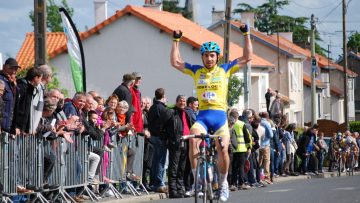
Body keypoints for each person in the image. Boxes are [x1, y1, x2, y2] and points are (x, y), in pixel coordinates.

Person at [170, 23, 252, 201]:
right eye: (206, 55)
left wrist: (246, 34)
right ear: (202, 57)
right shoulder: (196, 71)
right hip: (203, 117)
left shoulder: (225, 69)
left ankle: (223, 184)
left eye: (212, 56)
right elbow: (175, 62)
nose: (209, 59)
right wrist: (176, 40)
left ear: (217, 57)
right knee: (193, 137)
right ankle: (197, 181)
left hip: (220, 117)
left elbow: (248, 56)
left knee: (222, 149)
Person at [165, 95, 194, 198]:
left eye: (184, 101)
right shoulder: (171, 112)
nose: (183, 103)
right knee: (174, 167)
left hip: (186, 142)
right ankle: (173, 191)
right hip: (175, 143)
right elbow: (163, 127)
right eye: (181, 101)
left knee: (182, 168)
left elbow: (191, 125)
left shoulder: (187, 113)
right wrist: (169, 139)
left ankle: (180, 189)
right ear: (177, 102)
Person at [148, 88, 172, 193]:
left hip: (153, 136)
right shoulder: (162, 108)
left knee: (155, 160)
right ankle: (159, 183)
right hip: (160, 137)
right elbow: (164, 124)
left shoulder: (152, 107)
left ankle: (153, 182)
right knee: (161, 161)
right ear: (163, 96)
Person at [228, 109, 252, 191]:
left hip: (233, 149)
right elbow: (247, 137)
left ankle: (232, 184)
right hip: (242, 148)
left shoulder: (229, 124)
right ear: (237, 116)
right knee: (241, 167)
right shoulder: (241, 124)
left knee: (234, 167)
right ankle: (241, 184)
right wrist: (249, 147)